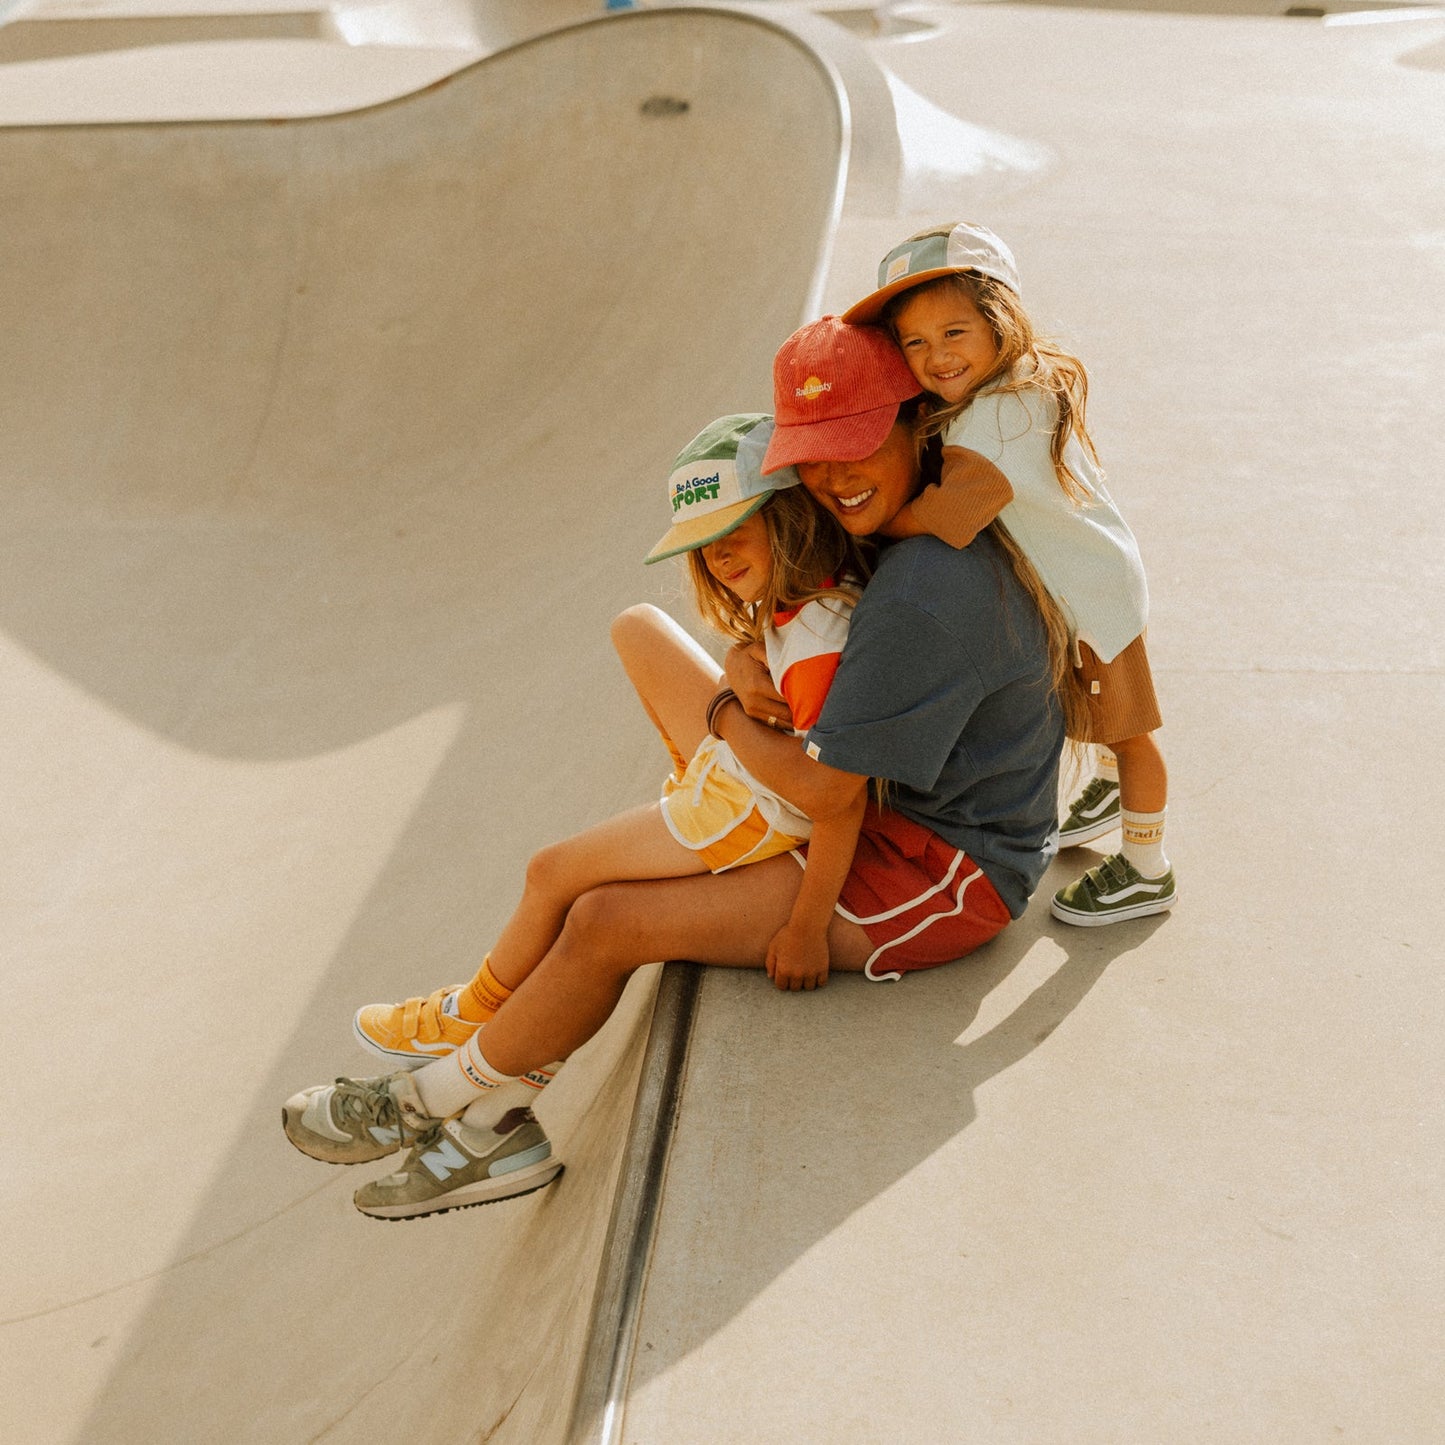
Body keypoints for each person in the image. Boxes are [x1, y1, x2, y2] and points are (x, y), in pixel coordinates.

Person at [280, 319, 1067, 1221]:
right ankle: (493, 1076)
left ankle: (456, 1106)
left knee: (606, 918)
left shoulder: (921, 593)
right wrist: (740, 656)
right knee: (642, 633)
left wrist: (730, 715)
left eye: (858, 446)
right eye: (813, 457)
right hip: (851, 790)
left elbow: (827, 793)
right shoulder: (884, 522)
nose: (836, 476)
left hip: (934, 868)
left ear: (914, 426)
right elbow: (800, 637)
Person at [841, 220, 1176, 927]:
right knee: (1104, 720)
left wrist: (881, 521)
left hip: (1093, 600)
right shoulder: (1011, 386)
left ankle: (1147, 868)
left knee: (1128, 734)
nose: (935, 357)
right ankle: (1115, 798)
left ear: (1000, 320)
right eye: (914, 342)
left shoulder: (994, 427)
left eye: (954, 333)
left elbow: (943, 518)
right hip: (1091, 576)